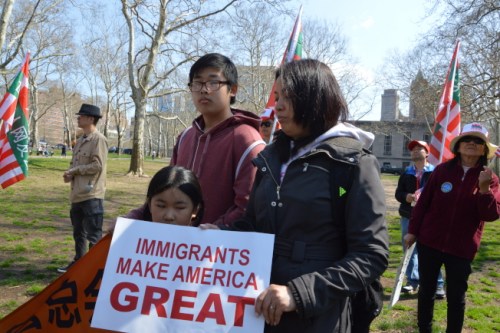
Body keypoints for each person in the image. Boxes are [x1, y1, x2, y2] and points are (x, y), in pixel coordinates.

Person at [201, 59, 389, 332]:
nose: (278, 106)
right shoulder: (270, 158)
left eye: (288, 96)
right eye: (277, 96)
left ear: (316, 98)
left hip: (318, 317)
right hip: (258, 307)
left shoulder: (353, 163)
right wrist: (222, 234)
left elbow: (371, 255)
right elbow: (253, 224)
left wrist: (299, 294)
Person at [405, 122, 500, 333]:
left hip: (462, 248)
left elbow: (491, 215)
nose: (471, 144)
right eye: (467, 139)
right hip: (429, 242)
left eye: (478, 141)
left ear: (484, 149)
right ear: (458, 145)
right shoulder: (441, 171)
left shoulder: (490, 179)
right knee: (426, 291)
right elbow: (423, 204)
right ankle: (424, 329)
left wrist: (484, 190)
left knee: (456, 297)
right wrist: (412, 230)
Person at [171, 53, 266, 226]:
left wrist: (215, 231)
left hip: (218, 248)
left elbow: (248, 207)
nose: (204, 90)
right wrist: (133, 218)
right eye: (197, 83)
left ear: (233, 90)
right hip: (178, 245)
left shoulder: (247, 140)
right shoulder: (185, 136)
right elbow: (165, 192)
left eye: (213, 82)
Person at [59, 104, 108, 273]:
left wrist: (76, 170)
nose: (78, 118)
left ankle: (95, 270)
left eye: (81, 116)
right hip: (77, 194)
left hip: (92, 195)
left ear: (90, 119)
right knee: (78, 233)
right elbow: (76, 164)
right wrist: (70, 174)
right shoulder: (80, 140)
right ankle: (79, 263)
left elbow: (97, 166)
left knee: (94, 235)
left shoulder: (98, 139)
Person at [395, 140, 445, 298]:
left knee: (431, 251)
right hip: (408, 216)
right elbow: (398, 193)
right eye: (413, 150)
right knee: (409, 249)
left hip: (429, 218)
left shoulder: (436, 172)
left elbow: (442, 193)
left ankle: (438, 285)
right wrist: (406, 197)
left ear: (427, 153)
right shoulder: (406, 173)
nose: (415, 152)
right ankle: (412, 281)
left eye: (419, 149)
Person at [126, 165, 204, 225]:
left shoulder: (204, 243)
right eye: (161, 206)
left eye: (180, 207)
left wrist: (214, 237)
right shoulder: (135, 238)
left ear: (195, 210)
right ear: (150, 205)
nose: (169, 216)